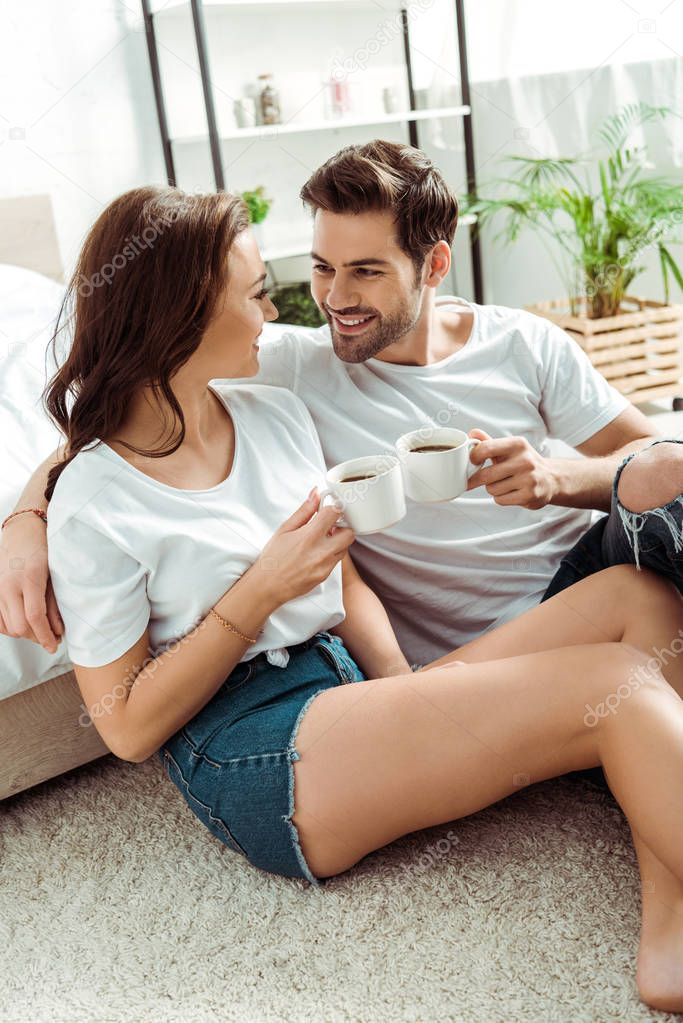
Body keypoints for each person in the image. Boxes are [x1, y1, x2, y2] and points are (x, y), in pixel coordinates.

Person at [4, 185, 683, 1011]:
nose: (290, 307)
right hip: (250, 744)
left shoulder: (274, 410)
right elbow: (126, 726)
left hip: (345, 687)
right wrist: (254, 592)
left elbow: (345, 573)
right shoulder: (98, 500)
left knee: (636, 601)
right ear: (183, 311)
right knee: (608, 688)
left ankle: (668, 930)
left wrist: (406, 693)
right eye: (259, 292)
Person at [1, 141, 677, 671]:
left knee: (669, 481)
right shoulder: (285, 361)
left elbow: (650, 458)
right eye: (322, 267)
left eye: (366, 271)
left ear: (434, 265)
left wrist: (555, 480)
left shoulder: (522, 341)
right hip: (476, 651)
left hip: (580, 570)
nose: (335, 299)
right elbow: (121, 413)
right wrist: (26, 518)